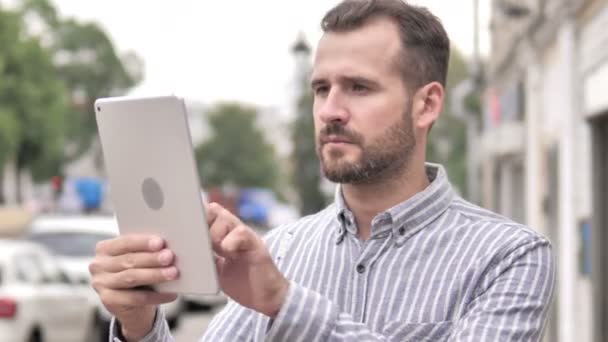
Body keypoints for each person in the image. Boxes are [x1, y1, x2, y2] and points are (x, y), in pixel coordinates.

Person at [89, 0, 555, 341]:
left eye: (358, 87)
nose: (330, 109)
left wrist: (284, 304)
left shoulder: (508, 257)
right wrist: (138, 324)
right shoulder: (283, 251)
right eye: (320, 88)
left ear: (426, 104)